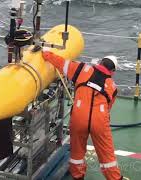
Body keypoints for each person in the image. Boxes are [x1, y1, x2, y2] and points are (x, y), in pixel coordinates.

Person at [41, 47, 122, 180]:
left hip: (79, 116)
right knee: (107, 156)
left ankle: (78, 176)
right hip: (99, 120)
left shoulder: (81, 69)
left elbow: (60, 62)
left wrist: (46, 52)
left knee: (77, 152)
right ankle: (115, 178)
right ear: (112, 71)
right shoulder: (112, 87)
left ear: (100, 62)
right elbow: (108, 108)